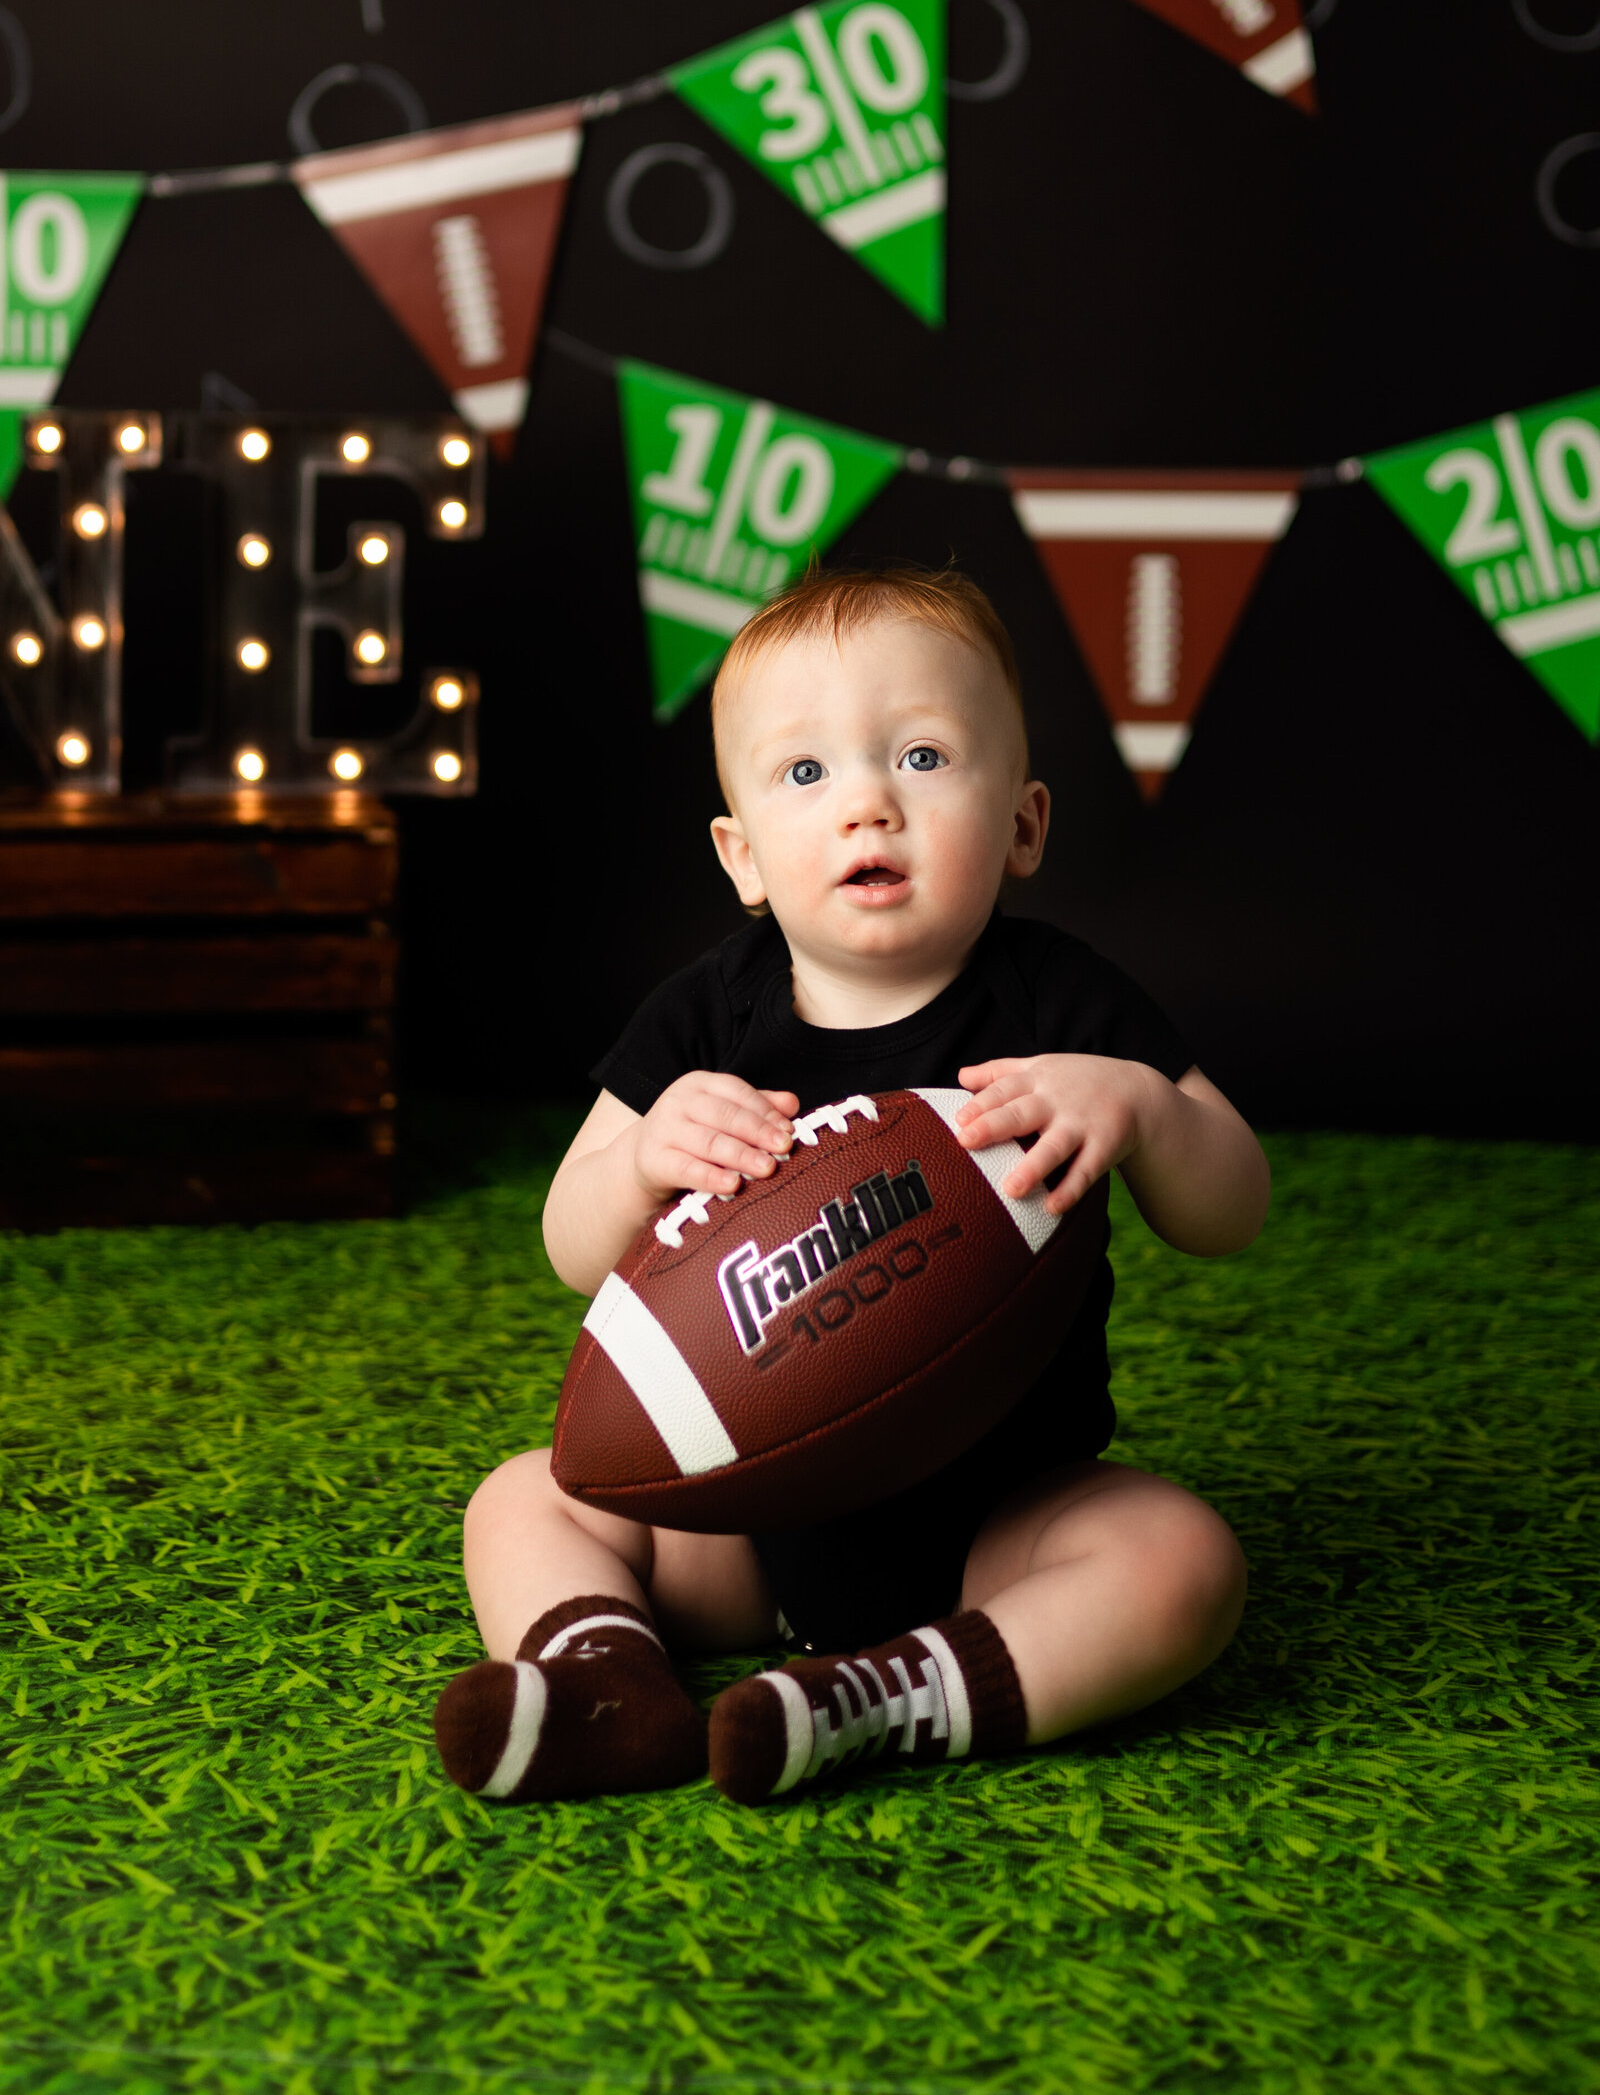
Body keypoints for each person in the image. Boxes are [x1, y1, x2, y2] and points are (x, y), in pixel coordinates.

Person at [433, 564, 1268, 1807]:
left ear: (1026, 824)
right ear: (743, 855)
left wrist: (1142, 1106)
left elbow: (1232, 1208)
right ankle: (606, 1683)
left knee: (1180, 1565)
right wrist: (645, 1154)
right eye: (805, 774)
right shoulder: (710, 1014)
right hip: (746, 1513)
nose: (868, 805)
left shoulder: (1056, 1003)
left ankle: (888, 1698)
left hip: (1004, 1515)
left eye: (923, 758)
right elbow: (568, 1240)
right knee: (521, 1498)